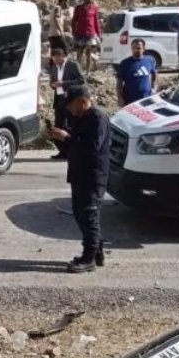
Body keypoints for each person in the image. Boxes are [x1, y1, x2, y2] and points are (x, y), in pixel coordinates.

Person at [49, 86, 110, 273]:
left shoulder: (97, 118)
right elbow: (75, 141)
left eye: (71, 104)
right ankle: (96, 250)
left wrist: (67, 137)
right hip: (79, 174)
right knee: (80, 213)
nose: (69, 108)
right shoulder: (81, 118)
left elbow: (91, 146)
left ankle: (89, 258)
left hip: (92, 176)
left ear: (83, 101)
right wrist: (61, 136)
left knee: (89, 215)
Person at [47, 47, 84, 160]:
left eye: (59, 59)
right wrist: (52, 85)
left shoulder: (72, 65)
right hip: (59, 100)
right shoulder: (53, 68)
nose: (57, 61)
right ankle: (62, 151)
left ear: (64, 56)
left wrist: (63, 83)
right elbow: (52, 82)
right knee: (59, 126)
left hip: (71, 100)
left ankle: (72, 151)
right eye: (55, 59)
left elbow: (81, 80)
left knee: (71, 126)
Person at [116, 38, 156, 106]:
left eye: (138, 48)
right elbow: (119, 82)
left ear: (144, 49)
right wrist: (120, 98)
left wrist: (153, 88)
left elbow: (154, 74)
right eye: (133, 48)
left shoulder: (149, 60)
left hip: (146, 99)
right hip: (129, 100)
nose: (135, 50)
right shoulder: (125, 63)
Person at [71, 0, 102, 71]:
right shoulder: (78, 8)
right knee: (79, 53)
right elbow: (74, 21)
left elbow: (96, 21)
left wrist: (98, 33)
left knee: (88, 53)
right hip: (80, 34)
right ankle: (77, 71)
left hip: (90, 34)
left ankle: (88, 71)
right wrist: (74, 32)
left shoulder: (94, 8)